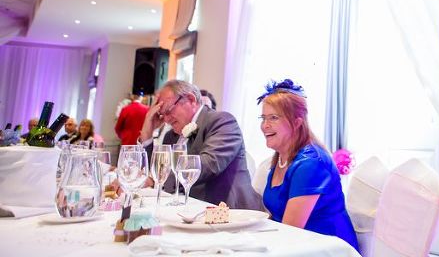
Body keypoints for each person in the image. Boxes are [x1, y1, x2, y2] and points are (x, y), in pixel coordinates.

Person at [258, 79, 359, 252]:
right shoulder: (281, 158)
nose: (265, 125)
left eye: (274, 118)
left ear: (297, 123)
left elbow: (290, 231)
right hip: (299, 245)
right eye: (263, 118)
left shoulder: (311, 164)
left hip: (326, 249)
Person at [139, 79, 259, 209]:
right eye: (162, 114)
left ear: (191, 99)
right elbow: (156, 170)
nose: (166, 119)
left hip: (230, 214)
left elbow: (209, 164)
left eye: (168, 110)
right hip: (186, 210)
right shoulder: (171, 136)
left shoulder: (222, 121)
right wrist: (147, 133)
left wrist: (162, 176)